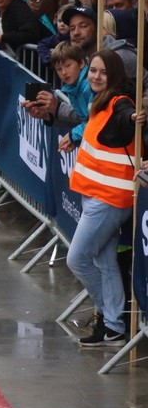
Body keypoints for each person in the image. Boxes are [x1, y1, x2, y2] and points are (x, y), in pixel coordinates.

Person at [64, 50, 140, 346]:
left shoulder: (120, 104)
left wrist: (134, 117)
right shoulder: (100, 102)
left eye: (103, 73)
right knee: (105, 263)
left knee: (78, 259)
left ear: (116, 76)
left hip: (108, 199)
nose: (96, 76)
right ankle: (114, 327)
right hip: (97, 196)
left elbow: (125, 119)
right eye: (93, 71)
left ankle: (109, 316)